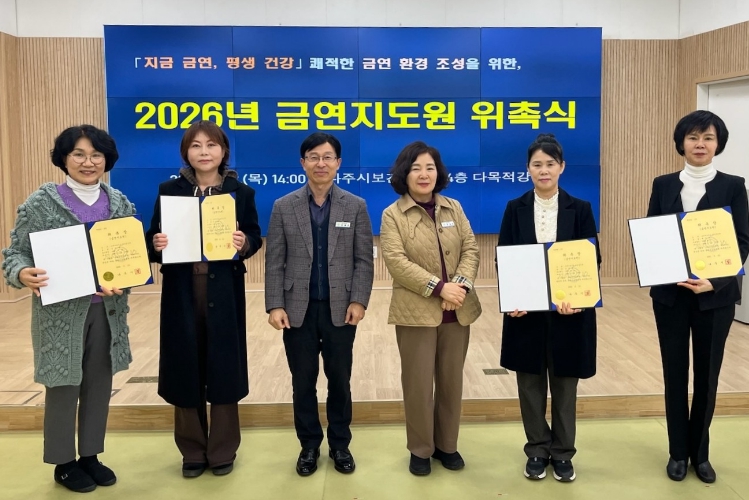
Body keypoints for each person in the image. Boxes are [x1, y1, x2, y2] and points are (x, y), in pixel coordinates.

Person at [2, 125, 134, 493]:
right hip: (59, 315)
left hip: (107, 311)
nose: (88, 162)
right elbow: (15, 253)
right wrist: (21, 272)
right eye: (78, 154)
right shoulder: (40, 203)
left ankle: (90, 455)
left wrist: (127, 274)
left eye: (96, 155)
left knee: (99, 385)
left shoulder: (119, 204)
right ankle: (63, 462)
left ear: (107, 160)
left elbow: (129, 256)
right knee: (63, 384)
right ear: (64, 158)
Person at [146, 120, 262, 478]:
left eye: (211, 145)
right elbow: (153, 237)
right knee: (185, 365)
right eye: (196, 146)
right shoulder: (170, 190)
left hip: (223, 290)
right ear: (186, 153)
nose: (204, 152)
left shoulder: (241, 193)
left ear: (223, 151)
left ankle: (223, 449)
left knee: (223, 366)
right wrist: (157, 243)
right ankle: (192, 450)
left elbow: (255, 236)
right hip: (181, 290)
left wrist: (244, 244)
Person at [647, 110, 749, 483]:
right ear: (681, 143)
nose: (700, 144)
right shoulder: (663, 185)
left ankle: (700, 454)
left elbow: (742, 241)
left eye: (707, 137)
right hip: (670, 296)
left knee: (707, 376)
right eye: (693, 137)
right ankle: (677, 453)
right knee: (674, 374)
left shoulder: (734, 186)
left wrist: (715, 281)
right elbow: (652, 235)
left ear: (718, 143)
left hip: (714, 298)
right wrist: (664, 270)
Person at [265, 132, 374, 477]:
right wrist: (274, 305)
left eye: (328, 157)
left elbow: (364, 260)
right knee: (303, 381)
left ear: (338, 163)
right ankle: (309, 445)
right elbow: (274, 261)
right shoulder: (283, 206)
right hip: (297, 310)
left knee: (340, 380)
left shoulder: (355, 205)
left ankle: (340, 444)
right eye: (313, 157)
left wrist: (359, 299)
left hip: (341, 309)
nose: (321, 163)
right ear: (303, 163)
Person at [498, 133, 600, 483]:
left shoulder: (581, 208)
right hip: (526, 313)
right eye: (537, 164)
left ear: (562, 167)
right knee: (529, 384)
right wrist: (513, 298)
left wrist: (579, 298)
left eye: (550, 164)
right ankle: (537, 449)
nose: (544, 170)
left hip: (569, 312)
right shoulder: (514, 208)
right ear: (528, 169)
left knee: (565, 385)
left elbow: (591, 259)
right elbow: (504, 258)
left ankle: (563, 453)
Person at [380, 141, 482, 476]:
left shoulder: (454, 207)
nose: (424, 174)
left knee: (451, 383)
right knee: (418, 385)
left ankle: (447, 446)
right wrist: (440, 287)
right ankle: (421, 449)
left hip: (458, 311)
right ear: (404, 174)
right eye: (416, 168)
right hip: (416, 313)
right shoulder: (393, 215)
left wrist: (459, 286)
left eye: (430, 167)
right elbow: (396, 261)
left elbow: (471, 248)